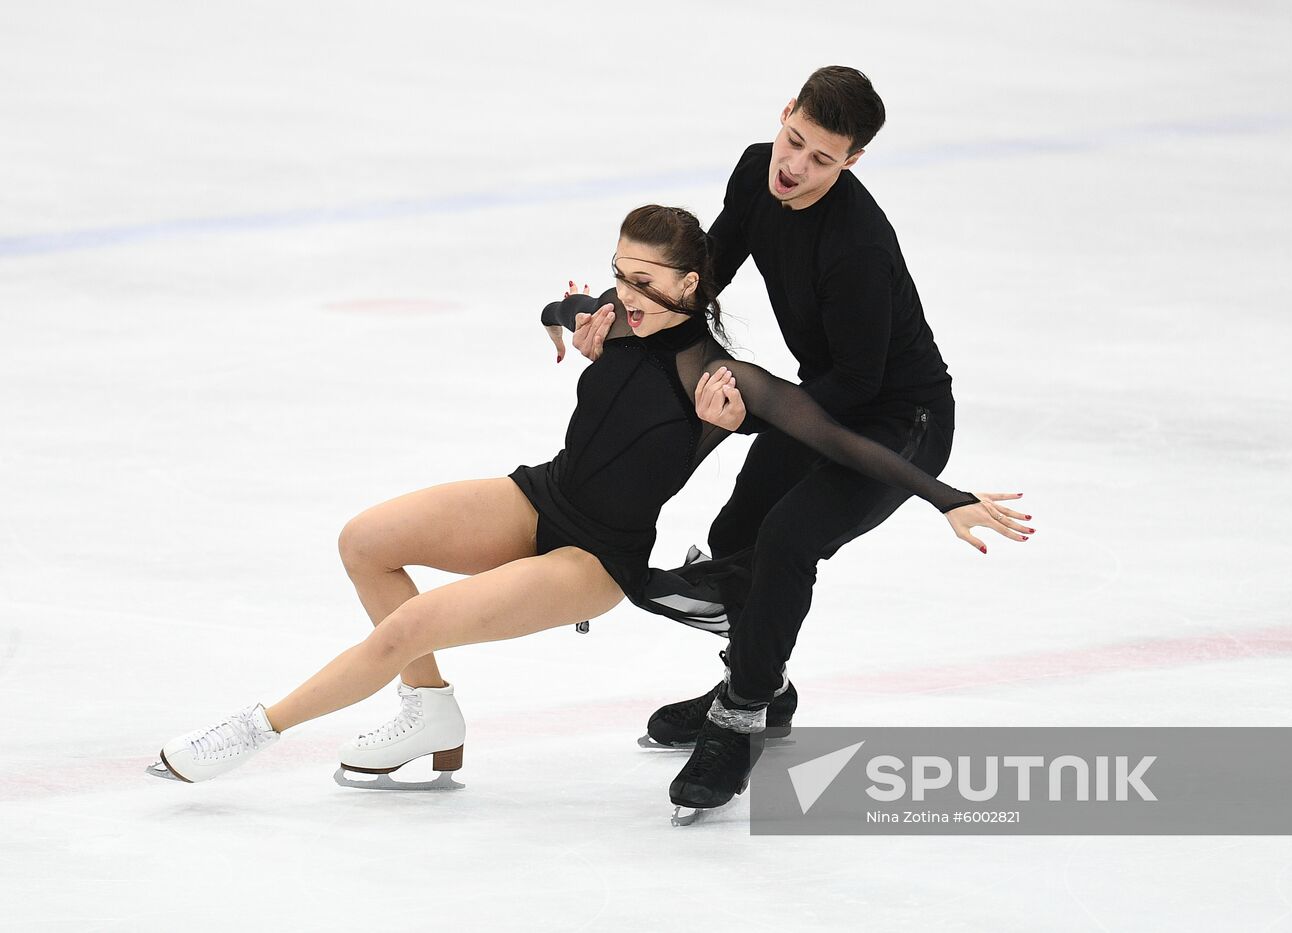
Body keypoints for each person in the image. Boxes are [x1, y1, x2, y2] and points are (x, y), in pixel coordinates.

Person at [147, 205, 1032, 808]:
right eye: (620, 275)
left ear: (695, 285)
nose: (627, 296)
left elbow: (839, 439)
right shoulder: (615, 314)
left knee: (405, 626)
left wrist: (944, 494)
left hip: (594, 557)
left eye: (648, 284)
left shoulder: (720, 379)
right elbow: (556, 302)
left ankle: (254, 730)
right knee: (365, 541)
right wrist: (569, 321)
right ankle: (430, 713)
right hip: (539, 495)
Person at [560, 67, 1017, 808]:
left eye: (821, 158)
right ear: (784, 115)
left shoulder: (858, 243)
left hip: (902, 423)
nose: (794, 166)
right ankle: (760, 684)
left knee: (786, 536)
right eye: (794, 139)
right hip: (822, 400)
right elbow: (705, 281)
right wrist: (621, 311)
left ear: (852, 163)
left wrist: (752, 413)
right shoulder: (753, 170)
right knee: (735, 530)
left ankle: (738, 718)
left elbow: (862, 385)